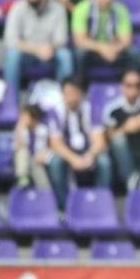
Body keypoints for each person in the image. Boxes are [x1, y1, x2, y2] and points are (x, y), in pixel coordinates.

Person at [46, 76, 112, 210]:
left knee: (104, 162)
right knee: (55, 162)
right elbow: (56, 143)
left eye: (74, 93)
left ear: (82, 93)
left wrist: (89, 156)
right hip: (66, 153)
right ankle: (64, 207)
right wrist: (74, 159)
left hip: (87, 151)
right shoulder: (55, 112)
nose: (71, 98)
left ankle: (100, 205)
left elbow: (99, 140)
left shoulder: (92, 109)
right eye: (67, 93)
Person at [2, 0, 74, 96]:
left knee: (65, 55)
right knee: (12, 55)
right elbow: (11, 40)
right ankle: (11, 100)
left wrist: (50, 47)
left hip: (50, 54)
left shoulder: (58, 9)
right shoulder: (17, 8)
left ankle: (63, 98)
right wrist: (36, 50)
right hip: (26, 54)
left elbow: (61, 39)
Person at [71, 0, 136, 76]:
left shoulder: (120, 10)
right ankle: (81, 86)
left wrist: (114, 49)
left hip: (114, 50)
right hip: (92, 51)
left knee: (133, 53)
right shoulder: (82, 9)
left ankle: (124, 85)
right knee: (80, 54)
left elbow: (126, 41)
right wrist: (102, 48)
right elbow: (79, 41)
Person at [14, 104, 51, 189]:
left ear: (34, 118)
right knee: (23, 152)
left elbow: (44, 149)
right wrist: (19, 130)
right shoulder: (21, 129)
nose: (22, 119)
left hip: (37, 159)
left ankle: (45, 193)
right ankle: (23, 177)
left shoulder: (42, 130)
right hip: (21, 160)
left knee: (37, 167)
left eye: (25, 117)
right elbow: (19, 146)